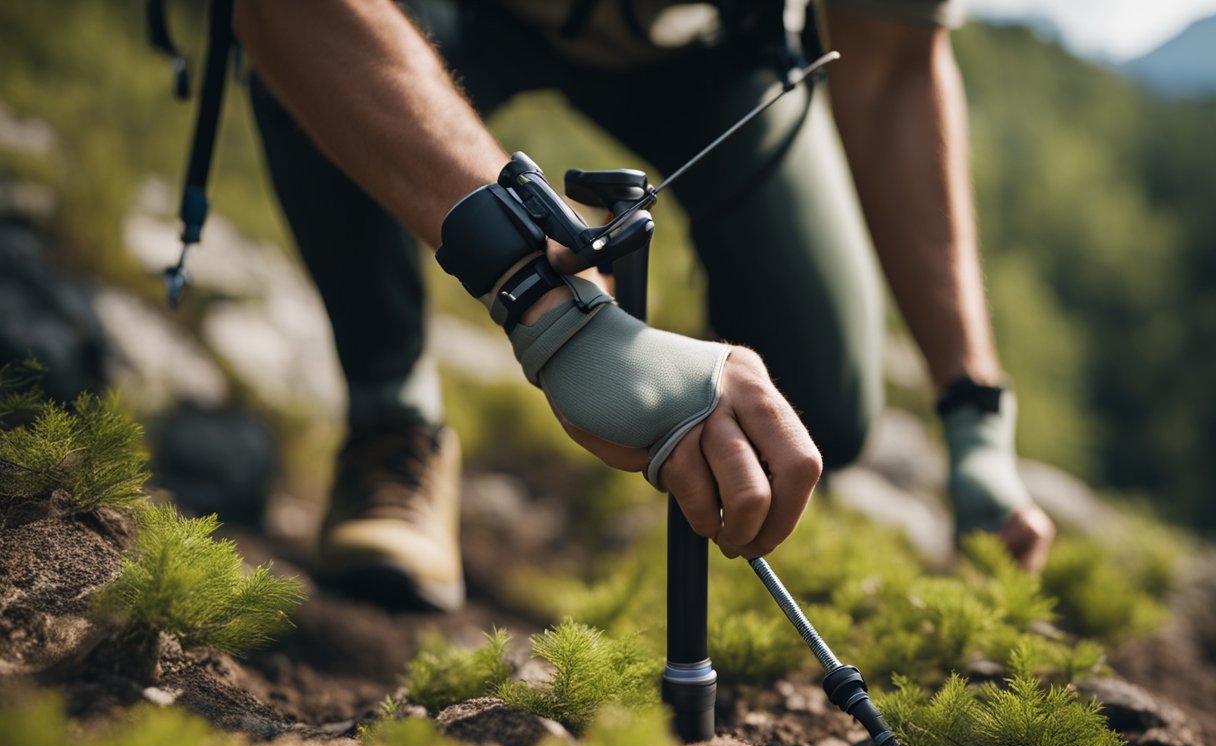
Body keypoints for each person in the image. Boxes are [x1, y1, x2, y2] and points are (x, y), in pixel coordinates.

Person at [234, 0, 1053, 612]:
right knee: (322, 55)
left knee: (820, 411)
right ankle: (392, 423)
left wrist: (975, 421)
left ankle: (717, 447)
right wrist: (551, 310)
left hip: (704, 40)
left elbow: (895, 68)